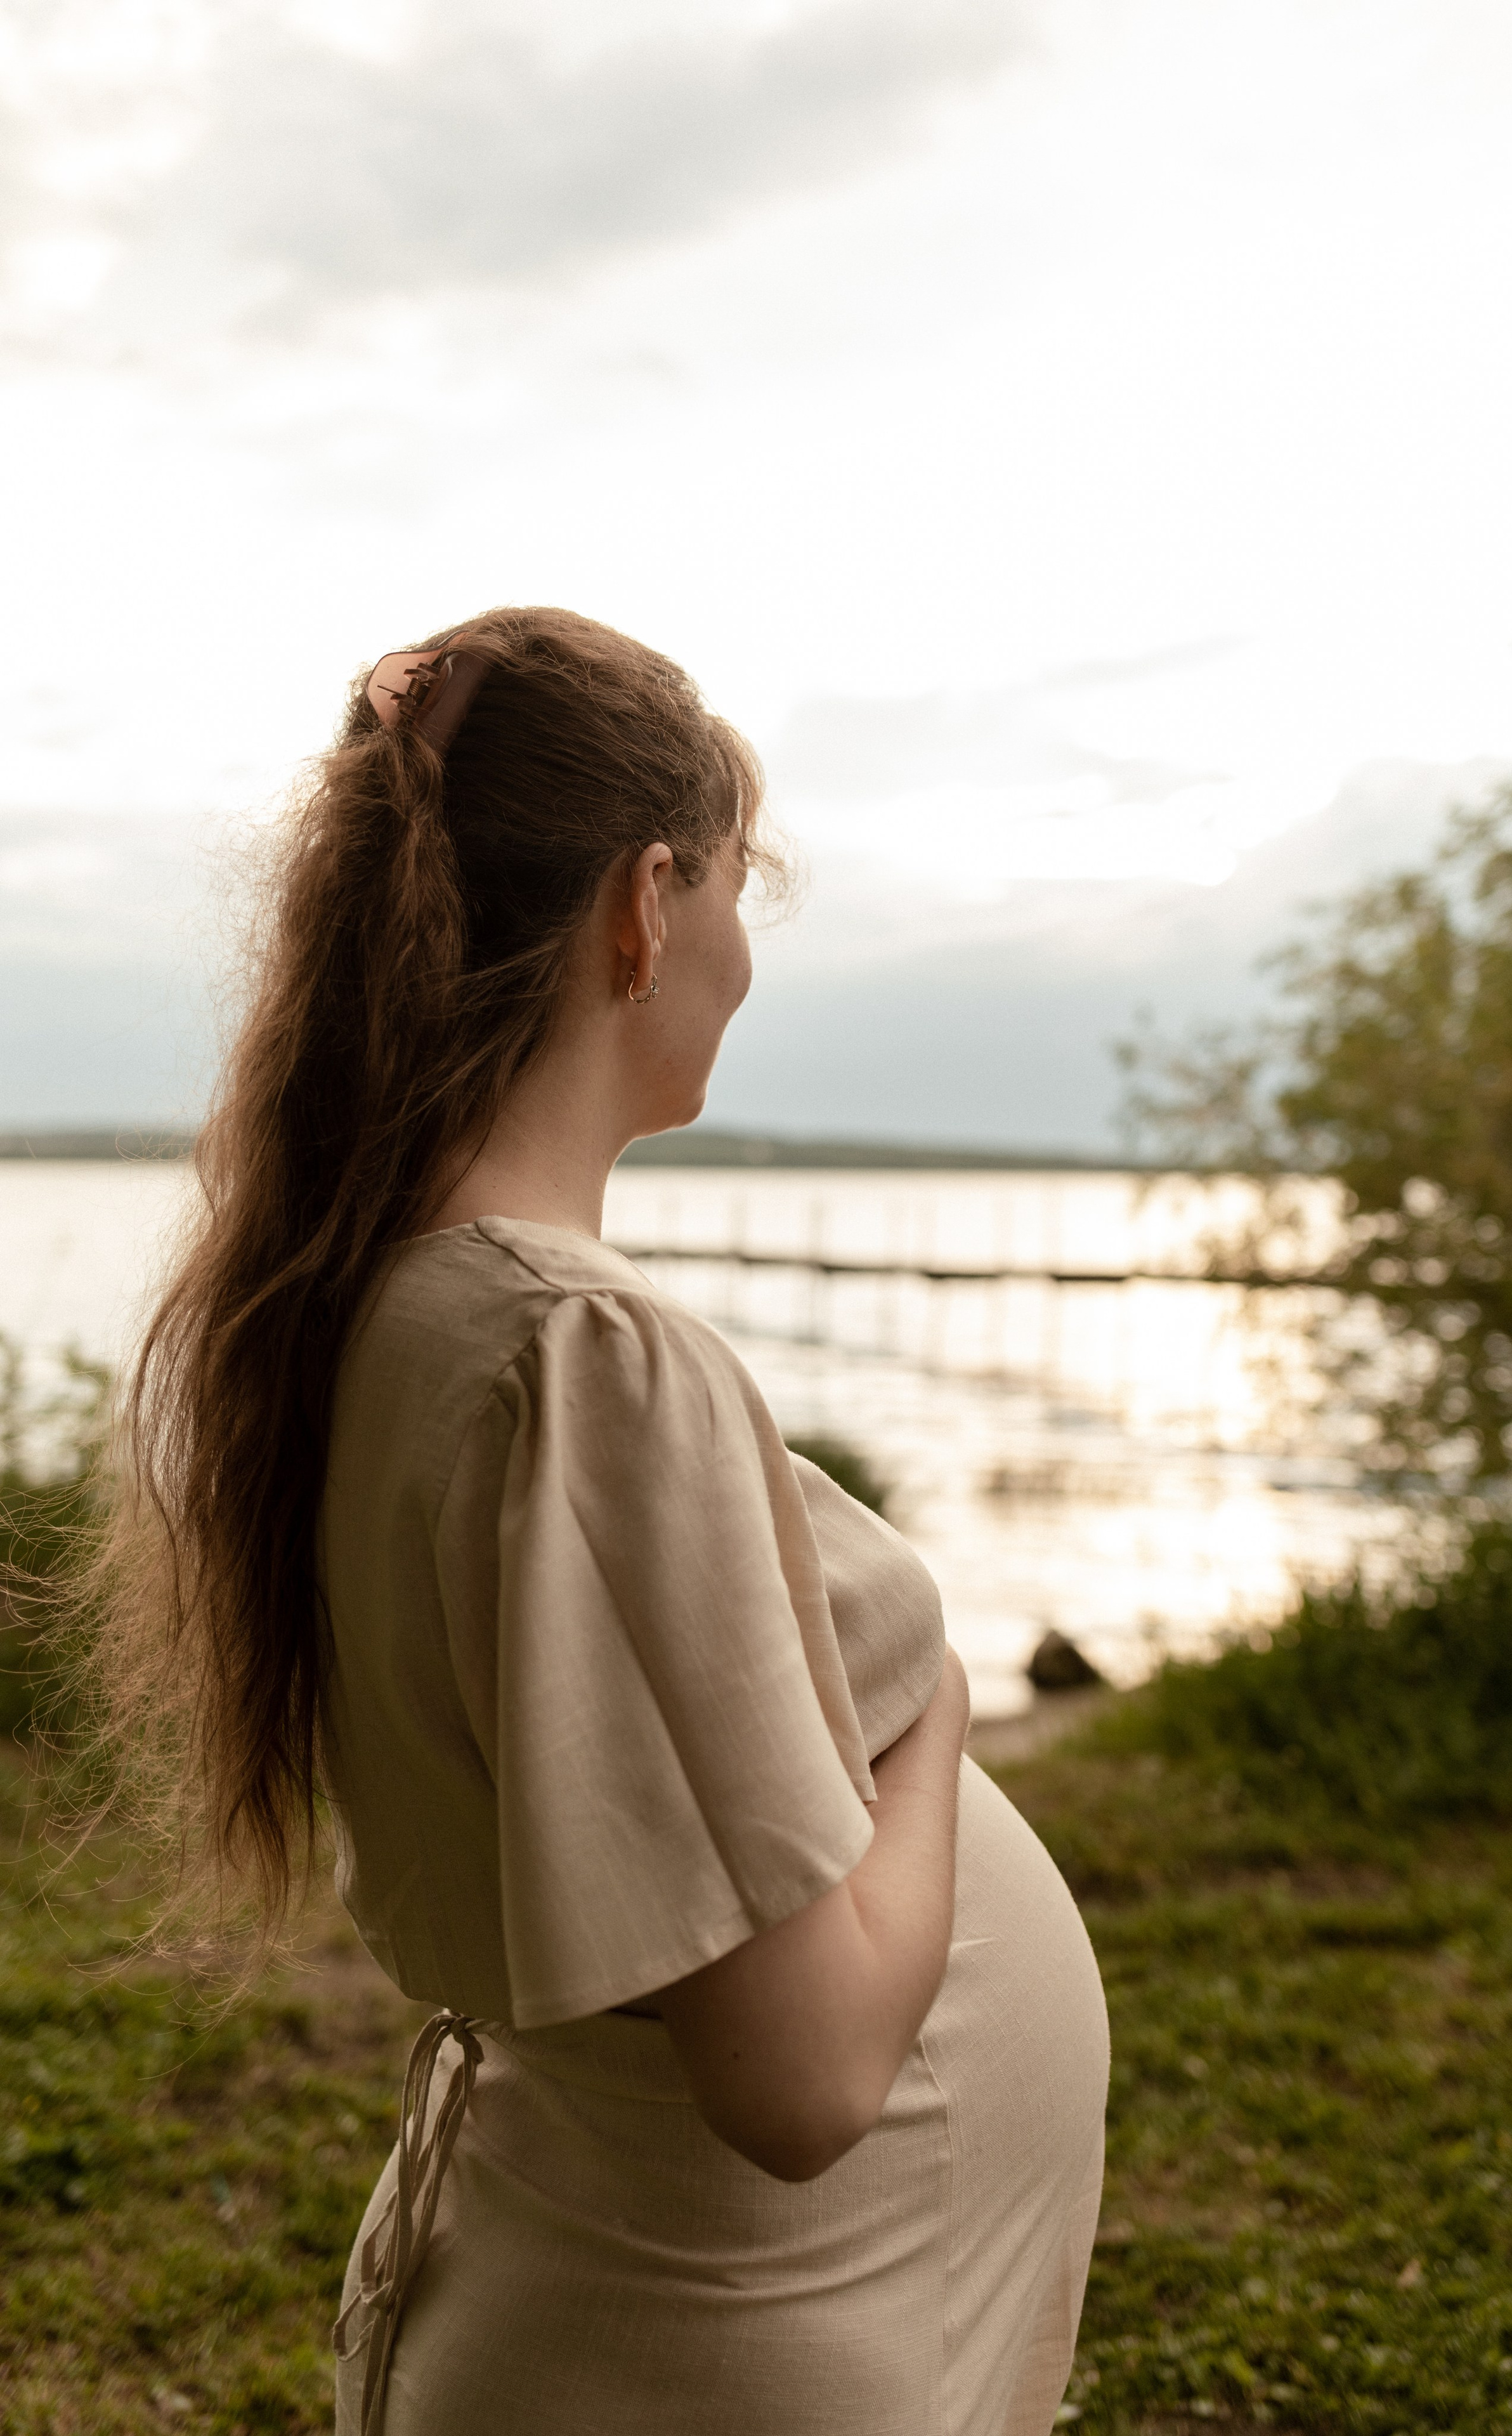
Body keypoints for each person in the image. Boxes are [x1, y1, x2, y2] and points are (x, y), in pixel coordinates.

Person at [96, 607, 1110, 2435]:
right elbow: (799, 2083)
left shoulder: (380, 1303)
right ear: (646, 905)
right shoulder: (583, 1355)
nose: (741, 951)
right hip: (718, 2347)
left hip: (657, 2311)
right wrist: (938, 1715)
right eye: (738, 888)